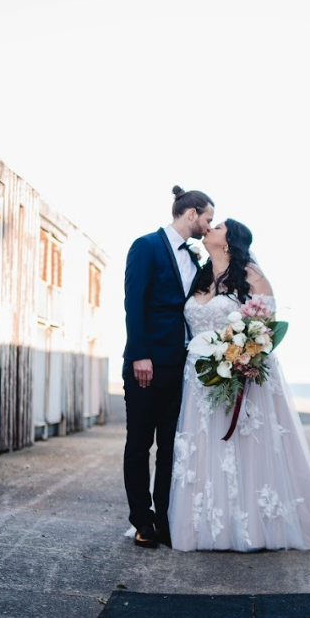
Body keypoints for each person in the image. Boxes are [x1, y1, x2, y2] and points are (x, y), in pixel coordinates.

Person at [168, 218, 310, 551]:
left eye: (218, 226)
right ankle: (206, 526)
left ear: (229, 241)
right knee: (204, 447)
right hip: (198, 379)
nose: (209, 227)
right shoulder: (200, 273)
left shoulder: (251, 276)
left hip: (240, 373)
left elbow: (264, 329)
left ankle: (252, 525)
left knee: (245, 446)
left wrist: (238, 359)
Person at [123, 186, 214, 548]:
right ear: (191, 213)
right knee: (139, 445)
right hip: (147, 365)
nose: (209, 227)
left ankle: (164, 519)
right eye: (207, 219)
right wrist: (140, 355)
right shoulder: (145, 246)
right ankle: (142, 521)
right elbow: (134, 302)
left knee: (171, 449)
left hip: (180, 368)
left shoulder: (193, 259)